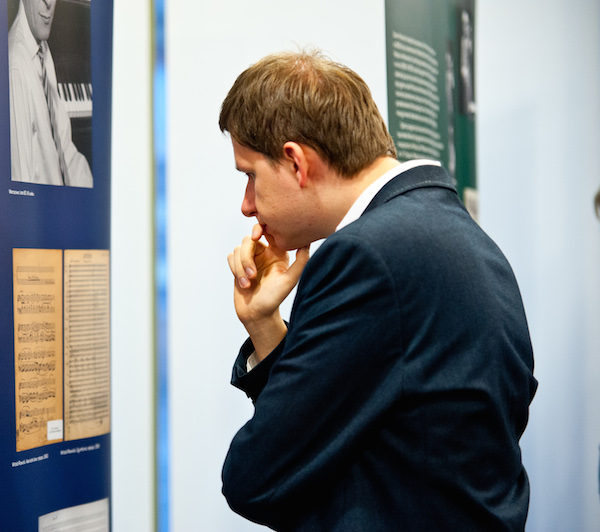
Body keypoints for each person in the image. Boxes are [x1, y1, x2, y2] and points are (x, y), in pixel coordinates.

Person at [220, 50, 537, 531]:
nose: (247, 205)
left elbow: (258, 477)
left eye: (250, 175)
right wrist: (265, 324)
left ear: (296, 162)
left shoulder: (365, 257)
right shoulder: (461, 237)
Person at [8, 0, 93, 187]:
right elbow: (22, 186)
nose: (49, 3)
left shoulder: (41, 47)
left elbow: (64, 149)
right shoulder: (16, 68)